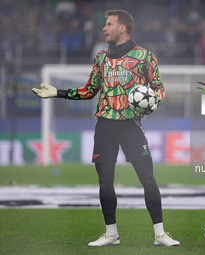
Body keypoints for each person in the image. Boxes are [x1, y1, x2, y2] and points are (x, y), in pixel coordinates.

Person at [32, 9, 180, 247]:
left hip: (131, 125)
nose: (104, 28)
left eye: (109, 24)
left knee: (148, 179)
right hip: (104, 126)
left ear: (122, 28)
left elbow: (158, 87)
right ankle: (111, 234)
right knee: (105, 182)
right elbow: (90, 90)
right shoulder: (101, 57)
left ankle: (160, 235)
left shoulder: (144, 56)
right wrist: (58, 93)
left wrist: (154, 102)